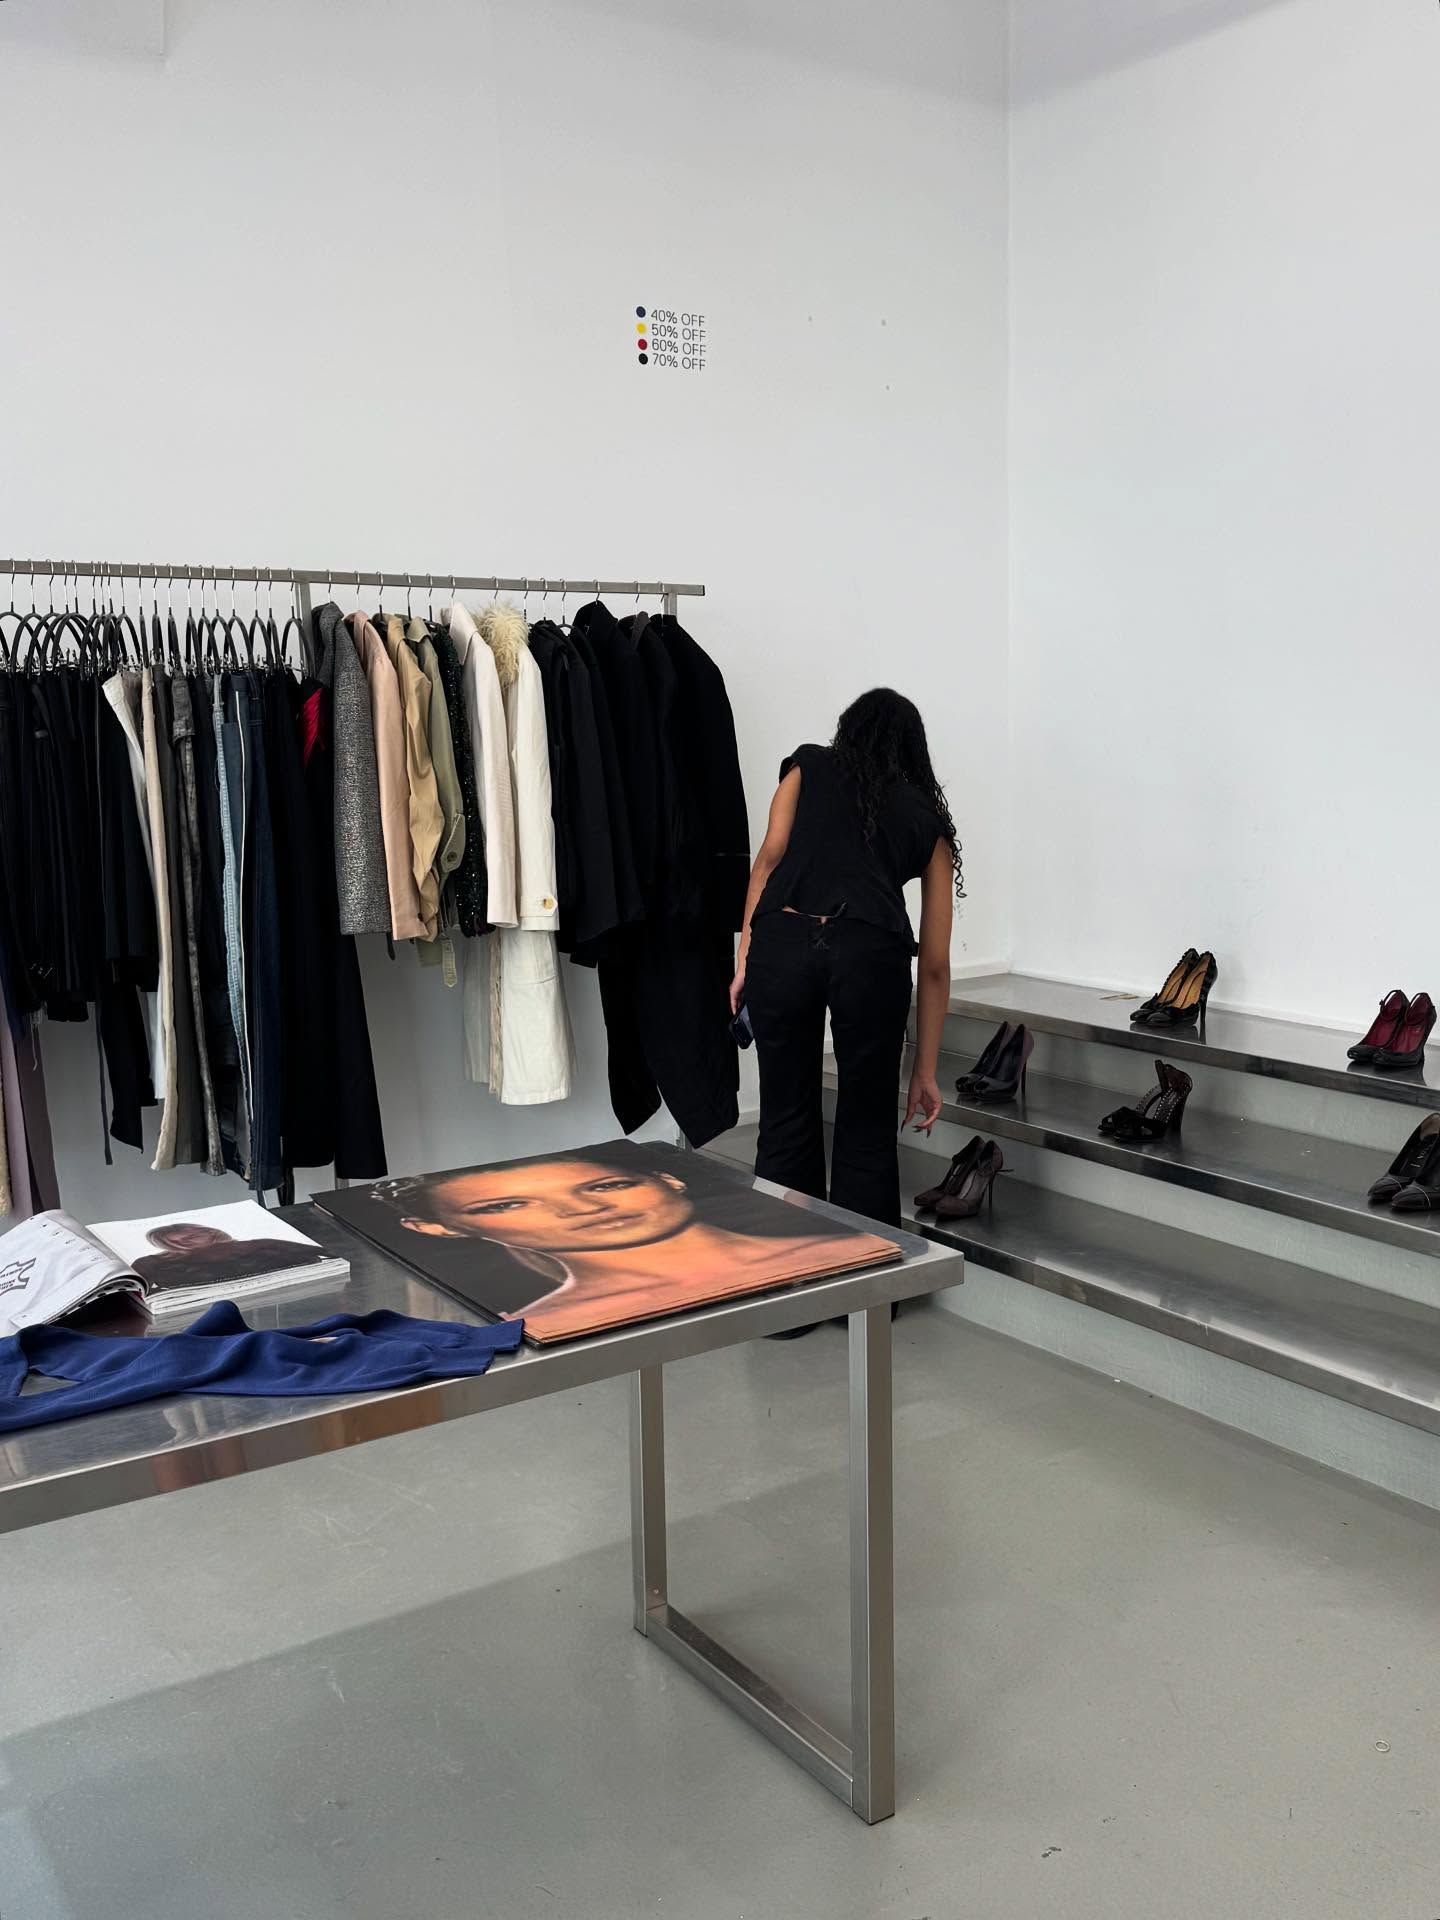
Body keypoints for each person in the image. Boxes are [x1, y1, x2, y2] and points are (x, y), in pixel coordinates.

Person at [731, 688, 962, 1235]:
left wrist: (744, 960)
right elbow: (934, 964)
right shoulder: (926, 818)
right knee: (868, 1126)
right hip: (870, 951)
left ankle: (785, 1271)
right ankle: (866, 1275)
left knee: (784, 1118)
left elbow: (768, 861)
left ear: (848, 731)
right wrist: (924, 1071)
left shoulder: (807, 767)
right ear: (913, 751)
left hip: (782, 942)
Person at [380, 1154, 896, 1342]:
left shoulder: (846, 1244)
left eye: (608, 1185)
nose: (583, 1209)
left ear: (668, 1179)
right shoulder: (538, 1324)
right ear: (435, 1229)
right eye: (505, 1206)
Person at [130, 1221, 328, 1289]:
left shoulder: (257, 1246)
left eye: (191, 1237)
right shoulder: (153, 1262)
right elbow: (134, 1290)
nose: (185, 1244)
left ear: (209, 1232)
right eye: (175, 1243)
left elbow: (322, 1254)